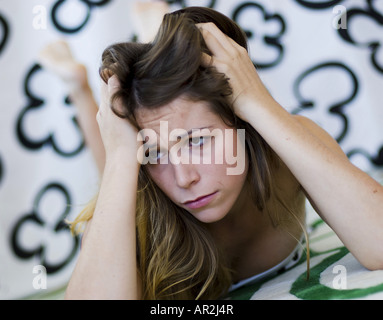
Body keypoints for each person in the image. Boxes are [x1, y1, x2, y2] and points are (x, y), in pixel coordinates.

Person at [39, 6, 383, 300]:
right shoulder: (128, 210)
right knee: (113, 173)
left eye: (197, 140)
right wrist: (120, 160)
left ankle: (153, 32)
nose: (184, 178)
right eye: (155, 154)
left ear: (240, 118)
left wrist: (257, 101)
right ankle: (78, 87)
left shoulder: (288, 147)